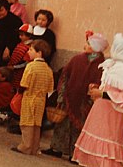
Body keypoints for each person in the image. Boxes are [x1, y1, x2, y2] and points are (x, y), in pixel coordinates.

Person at [72, 33, 123, 167]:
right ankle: (93, 165)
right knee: (97, 132)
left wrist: (103, 94)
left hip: (112, 109)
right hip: (102, 107)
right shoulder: (112, 64)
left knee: (108, 135)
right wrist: (97, 88)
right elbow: (108, 85)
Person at [42, 31, 107, 160]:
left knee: (80, 127)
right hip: (69, 96)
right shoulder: (77, 59)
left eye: (89, 43)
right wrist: (61, 94)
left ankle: (75, 153)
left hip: (85, 102)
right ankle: (57, 148)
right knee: (63, 124)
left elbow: (102, 82)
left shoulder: (102, 64)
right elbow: (65, 75)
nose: (85, 45)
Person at [10, 39, 54, 155]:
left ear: (39, 53)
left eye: (31, 50)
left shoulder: (30, 66)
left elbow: (24, 84)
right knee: (36, 124)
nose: (28, 52)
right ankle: (34, 148)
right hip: (41, 100)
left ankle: (25, 146)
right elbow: (50, 88)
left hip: (29, 98)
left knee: (26, 123)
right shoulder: (48, 69)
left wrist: (19, 93)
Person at [0, 0, 22, 68]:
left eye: (1, 10)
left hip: (8, 49)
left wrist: (8, 48)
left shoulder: (15, 21)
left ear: (7, 9)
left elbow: (16, 37)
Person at [8, 24, 34, 90]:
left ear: (29, 36)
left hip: (21, 72)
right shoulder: (20, 44)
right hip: (14, 71)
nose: (20, 37)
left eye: (22, 35)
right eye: (19, 35)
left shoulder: (30, 47)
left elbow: (26, 62)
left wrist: (14, 67)